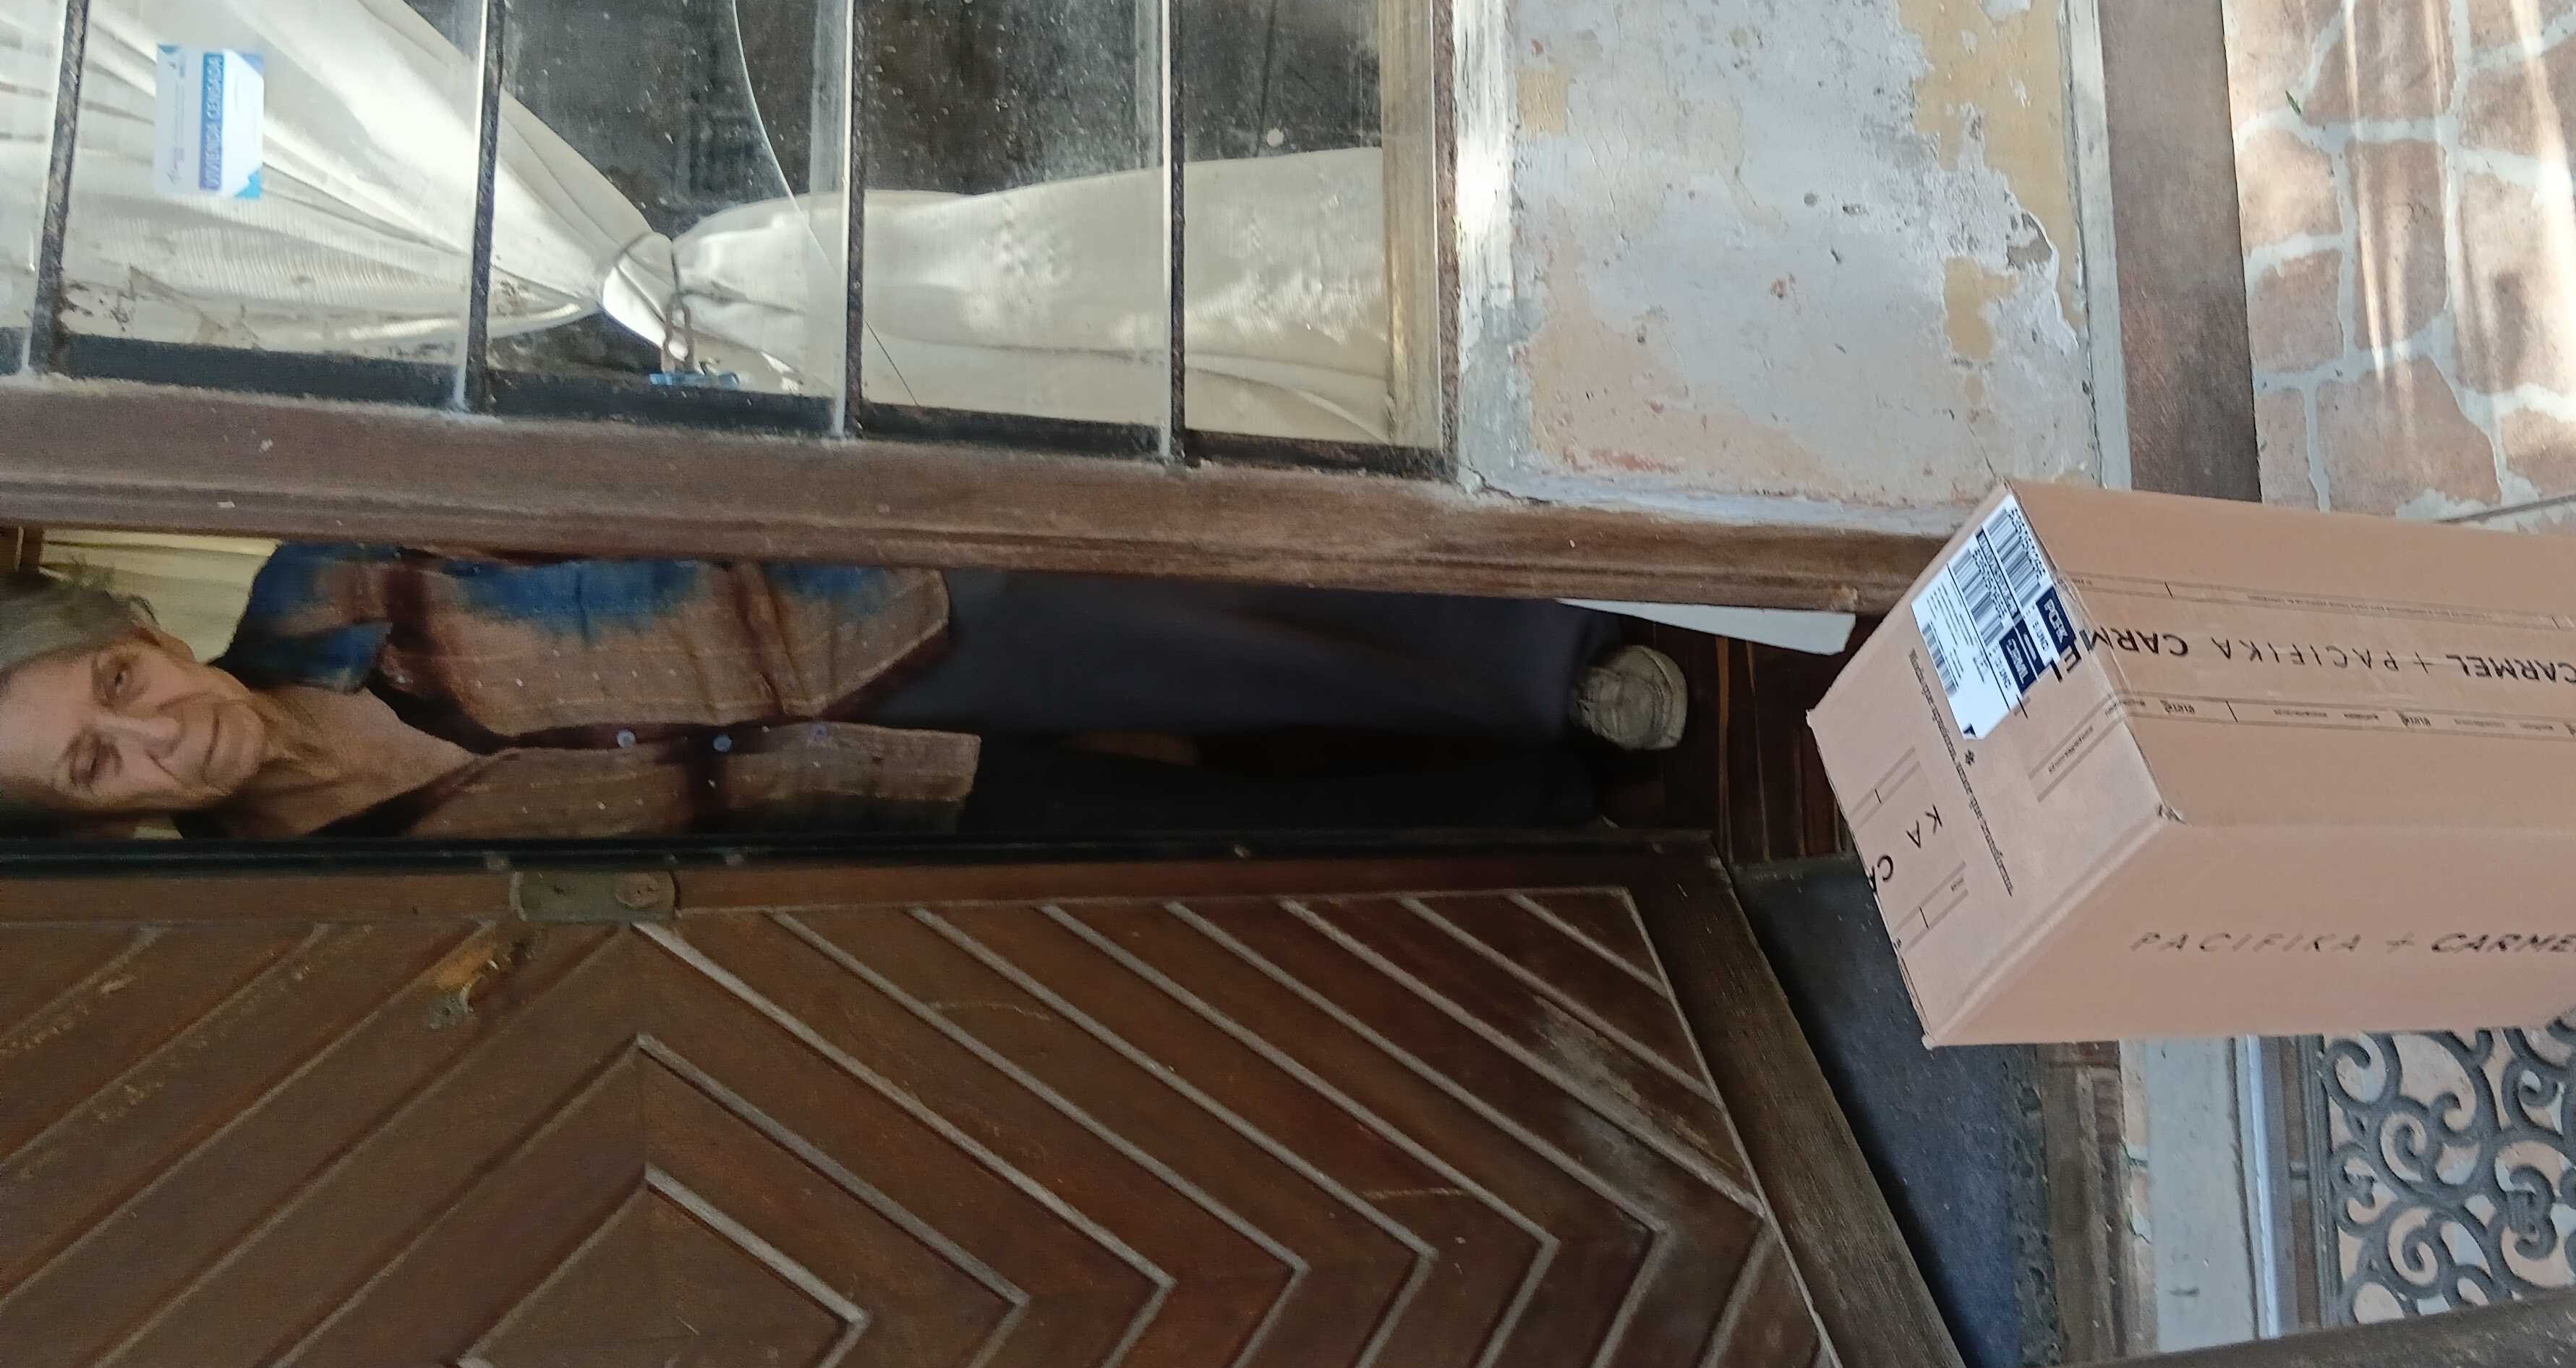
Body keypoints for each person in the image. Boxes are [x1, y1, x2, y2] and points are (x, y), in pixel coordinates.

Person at [0, 549, 1688, 841]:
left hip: (844, 623)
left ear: (138, 631)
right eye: (96, 765)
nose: (155, 733)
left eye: (117, 682)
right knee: (1197, 832)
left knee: (1219, 642)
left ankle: (1556, 668)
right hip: (849, 808)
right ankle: (1549, 815)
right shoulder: (305, 878)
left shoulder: (327, 578)